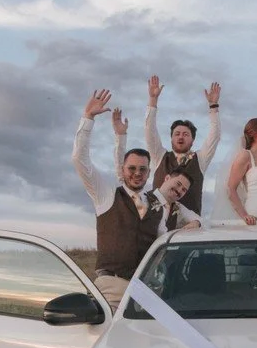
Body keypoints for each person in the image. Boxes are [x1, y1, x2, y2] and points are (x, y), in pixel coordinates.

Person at [73, 89, 202, 311]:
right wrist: (88, 118)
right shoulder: (106, 196)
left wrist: (191, 227)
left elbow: (169, 235)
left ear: (150, 172)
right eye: (131, 168)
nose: (137, 173)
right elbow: (80, 160)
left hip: (147, 291)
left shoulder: (156, 203)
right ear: (122, 170)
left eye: (143, 169)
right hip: (111, 289)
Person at [145, 75, 221, 216]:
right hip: (158, 221)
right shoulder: (159, 156)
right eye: (177, 133)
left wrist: (213, 107)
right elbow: (150, 132)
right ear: (171, 138)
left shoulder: (200, 159)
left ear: (192, 140)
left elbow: (214, 136)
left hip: (190, 228)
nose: (181, 137)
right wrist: (153, 101)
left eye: (186, 134)